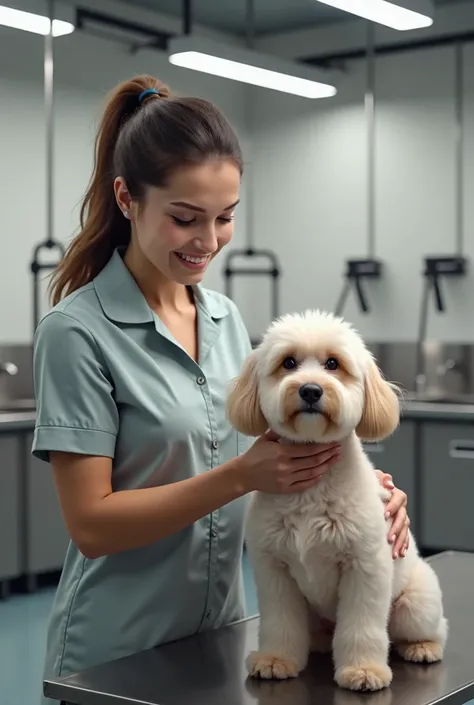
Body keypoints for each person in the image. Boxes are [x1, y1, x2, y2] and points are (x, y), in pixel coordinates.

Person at [32, 74, 410, 703]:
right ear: (127, 199)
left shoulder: (226, 319)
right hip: (117, 654)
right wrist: (241, 477)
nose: (208, 242)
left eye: (225, 218)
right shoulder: (76, 333)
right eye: (185, 219)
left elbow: (272, 447)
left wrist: (363, 493)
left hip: (225, 637)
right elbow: (91, 525)